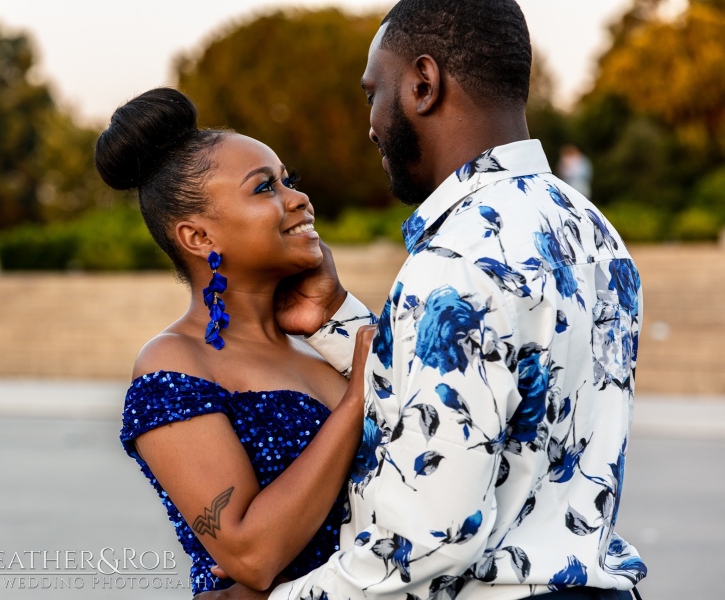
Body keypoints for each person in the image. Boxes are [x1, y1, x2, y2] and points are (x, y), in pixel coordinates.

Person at [199, 1, 647, 599]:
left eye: (371, 94)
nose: (371, 124)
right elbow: (507, 400)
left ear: (423, 84)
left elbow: (429, 539)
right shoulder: (590, 230)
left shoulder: (454, 262)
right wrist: (338, 319)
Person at [94, 87, 377, 596]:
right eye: (264, 188)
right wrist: (356, 400)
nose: (297, 198)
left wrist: (332, 310)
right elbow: (253, 554)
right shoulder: (174, 364)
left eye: (288, 181)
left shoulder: (325, 349)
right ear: (199, 238)